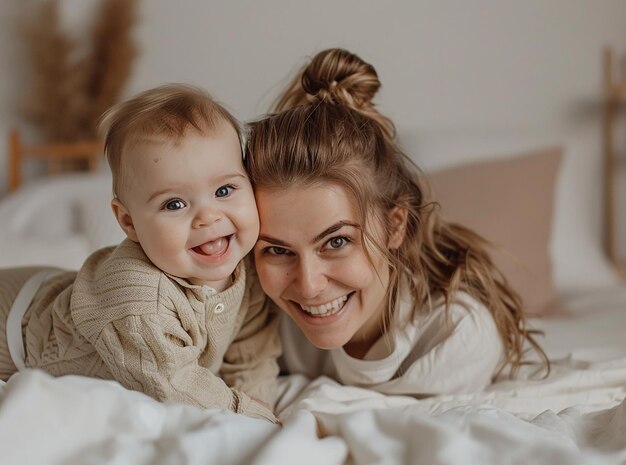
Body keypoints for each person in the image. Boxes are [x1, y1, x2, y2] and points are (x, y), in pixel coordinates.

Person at [245, 48, 548, 395]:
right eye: (277, 250)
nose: (309, 286)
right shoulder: (255, 312)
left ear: (395, 225)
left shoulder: (453, 337)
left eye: (337, 241)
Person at [0, 84, 280, 422]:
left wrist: (258, 398)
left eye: (224, 189)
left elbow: (254, 346)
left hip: (54, 287)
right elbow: (171, 384)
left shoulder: (247, 269)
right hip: (14, 323)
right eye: (174, 203)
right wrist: (244, 413)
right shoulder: (140, 302)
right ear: (129, 222)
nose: (209, 216)